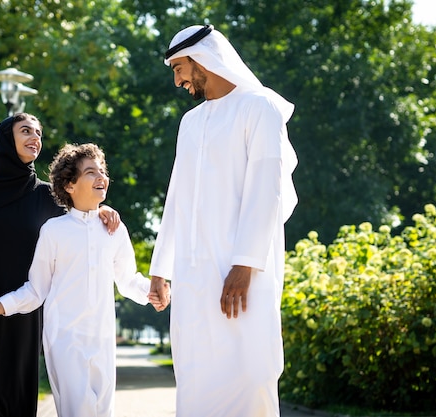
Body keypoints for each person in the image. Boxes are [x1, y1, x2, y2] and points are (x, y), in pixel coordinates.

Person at [149, 24, 299, 417]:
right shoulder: (191, 122)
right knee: (196, 373)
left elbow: (267, 191)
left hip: (244, 271)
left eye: (179, 68)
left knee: (252, 372)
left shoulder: (259, 108)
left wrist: (244, 263)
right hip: (193, 274)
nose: (178, 79)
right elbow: (176, 197)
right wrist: (160, 269)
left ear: (203, 59)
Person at [0, 114, 121, 417]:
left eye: (39, 132)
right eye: (26, 131)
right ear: (7, 138)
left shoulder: (47, 196)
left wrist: (106, 211)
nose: (35, 137)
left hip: (22, 316)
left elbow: (83, 210)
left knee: (12, 397)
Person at [0, 143, 162, 417]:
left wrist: (153, 291)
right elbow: (36, 289)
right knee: (79, 411)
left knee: (103, 411)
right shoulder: (54, 231)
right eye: (90, 172)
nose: (101, 176)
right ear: (69, 185)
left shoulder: (115, 229)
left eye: (102, 171)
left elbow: (127, 281)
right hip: (64, 338)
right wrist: (1, 306)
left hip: (102, 337)